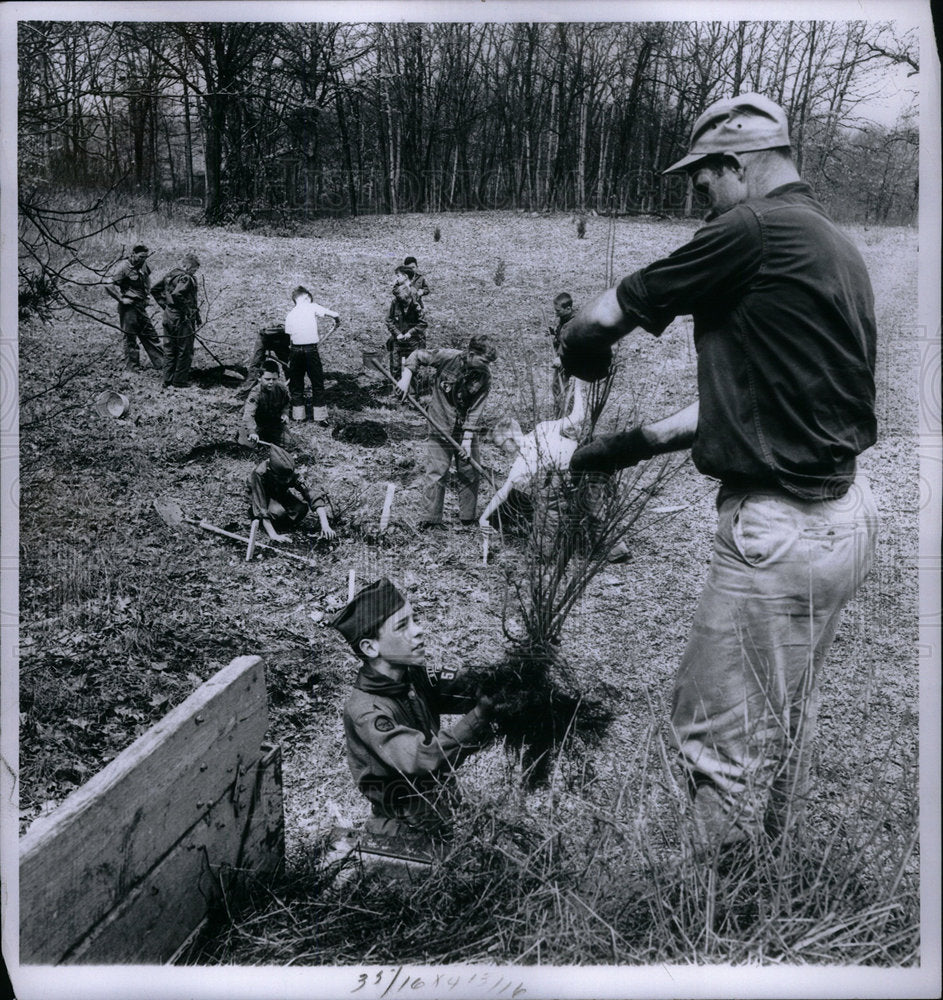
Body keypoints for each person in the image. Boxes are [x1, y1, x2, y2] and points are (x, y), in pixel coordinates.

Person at [559, 93, 879, 854]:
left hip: (778, 527)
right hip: (842, 516)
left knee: (716, 740)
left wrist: (580, 352)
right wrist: (617, 448)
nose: (697, 194)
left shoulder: (750, 227)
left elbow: (601, 319)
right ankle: (771, 889)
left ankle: (709, 933)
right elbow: (754, 405)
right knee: (780, 717)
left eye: (701, 176)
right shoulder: (831, 242)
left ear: (734, 163)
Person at [330, 577, 494, 856]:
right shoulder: (367, 711)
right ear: (371, 648)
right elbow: (422, 757)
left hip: (439, 811)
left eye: (414, 620)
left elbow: (462, 689)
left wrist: (504, 681)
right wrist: (481, 714)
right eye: (403, 626)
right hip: (402, 830)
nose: (419, 631)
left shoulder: (412, 676)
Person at [479, 381, 630, 563]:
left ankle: (543, 554)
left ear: (510, 439)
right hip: (588, 468)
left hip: (572, 475)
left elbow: (503, 493)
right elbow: (579, 415)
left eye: (502, 446)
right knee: (594, 510)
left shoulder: (523, 460)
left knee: (549, 509)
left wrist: (483, 517)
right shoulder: (544, 427)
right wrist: (578, 385)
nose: (503, 451)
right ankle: (618, 551)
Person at [396, 334, 496, 530]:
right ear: (471, 353)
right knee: (437, 472)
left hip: (466, 427)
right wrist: (406, 378)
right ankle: (431, 520)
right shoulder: (448, 357)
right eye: (484, 361)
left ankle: (468, 518)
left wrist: (467, 439)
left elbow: (476, 409)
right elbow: (417, 355)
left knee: (470, 471)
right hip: (440, 422)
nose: (487, 366)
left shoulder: (485, 376)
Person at [247, 444, 336, 542]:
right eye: (283, 479)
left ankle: (280, 522)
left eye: (289, 477)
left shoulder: (289, 471)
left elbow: (311, 493)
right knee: (278, 512)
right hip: (262, 495)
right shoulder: (259, 474)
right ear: (271, 471)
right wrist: (274, 535)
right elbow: (261, 505)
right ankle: (257, 517)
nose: (288, 480)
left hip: (280, 493)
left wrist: (325, 525)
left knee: (301, 509)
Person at [285, 286, 340, 425]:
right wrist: (337, 319)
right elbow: (334, 313)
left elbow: (290, 336)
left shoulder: (290, 314)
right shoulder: (311, 306)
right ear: (305, 297)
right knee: (317, 382)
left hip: (295, 350)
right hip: (311, 350)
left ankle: (298, 416)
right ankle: (320, 417)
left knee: (296, 383)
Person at [105, 244, 164, 372]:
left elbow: (147, 277)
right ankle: (132, 368)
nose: (143, 259)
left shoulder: (143, 264)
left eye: (145, 257)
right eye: (141, 256)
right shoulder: (123, 267)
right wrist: (121, 299)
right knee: (130, 337)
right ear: (133, 254)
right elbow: (108, 284)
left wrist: (146, 295)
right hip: (129, 308)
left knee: (150, 334)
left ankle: (161, 364)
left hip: (140, 306)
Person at [151, 252, 201, 388]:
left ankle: (167, 379)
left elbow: (154, 290)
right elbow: (178, 294)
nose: (194, 272)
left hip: (168, 316)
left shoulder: (170, 275)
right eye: (194, 269)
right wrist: (187, 311)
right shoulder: (186, 278)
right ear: (188, 266)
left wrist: (166, 306)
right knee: (185, 350)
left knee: (169, 349)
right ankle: (179, 381)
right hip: (181, 319)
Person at [386, 274, 428, 380]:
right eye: (402, 304)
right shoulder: (395, 303)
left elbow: (423, 323)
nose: (404, 306)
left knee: (411, 368)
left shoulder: (416, 306)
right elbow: (388, 320)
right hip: (398, 340)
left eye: (406, 303)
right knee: (395, 367)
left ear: (410, 297)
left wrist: (411, 332)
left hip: (413, 341)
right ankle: (395, 390)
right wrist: (397, 333)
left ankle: (412, 392)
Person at [241, 360, 290, 446]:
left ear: (278, 377)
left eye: (274, 379)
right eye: (267, 379)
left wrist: (285, 414)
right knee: (248, 445)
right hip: (256, 424)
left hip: (273, 423)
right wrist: (252, 431)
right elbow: (248, 415)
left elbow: (286, 404)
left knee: (289, 443)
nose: (271, 382)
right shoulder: (255, 393)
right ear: (259, 378)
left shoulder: (281, 389)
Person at [547, 292, 575, 417]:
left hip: (569, 362)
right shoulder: (564, 319)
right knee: (557, 388)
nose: (556, 313)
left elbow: (573, 345)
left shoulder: (574, 324)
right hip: (562, 361)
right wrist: (554, 334)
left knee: (564, 390)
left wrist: (562, 359)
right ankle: (559, 416)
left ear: (568, 308)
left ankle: (566, 419)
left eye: (558, 310)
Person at [245, 321, 291, 387]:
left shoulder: (289, 333)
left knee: (288, 363)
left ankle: (292, 388)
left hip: (281, 339)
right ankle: (248, 390)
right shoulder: (265, 333)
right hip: (265, 338)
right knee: (256, 364)